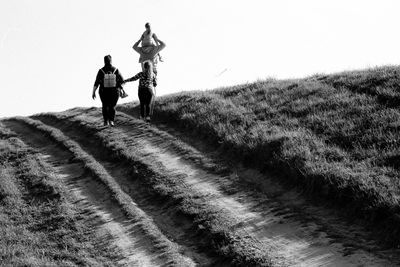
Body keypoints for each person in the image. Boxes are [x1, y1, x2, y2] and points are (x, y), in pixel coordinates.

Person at [92, 55, 124, 127]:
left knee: (105, 106)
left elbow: (96, 82)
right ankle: (111, 121)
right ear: (111, 61)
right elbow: (122, 81)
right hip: (115, 91)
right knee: (112, 106)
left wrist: (93, 92)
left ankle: (105, 121)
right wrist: (120, 88)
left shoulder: (101, 71)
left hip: (104, 92)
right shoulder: (116, 70)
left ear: (104, 61)